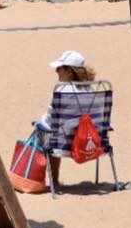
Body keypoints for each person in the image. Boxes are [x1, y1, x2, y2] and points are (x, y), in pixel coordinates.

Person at [34, 50, 97, 189]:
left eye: (59, 68)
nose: (56, 71)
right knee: (57, 132)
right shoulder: (91, 91)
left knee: (45, 132)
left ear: (69, 71)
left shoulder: (62, 91)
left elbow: (50, 119)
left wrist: (39, 124)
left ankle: (53, 181)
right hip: (89, 141)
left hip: (64, 144)